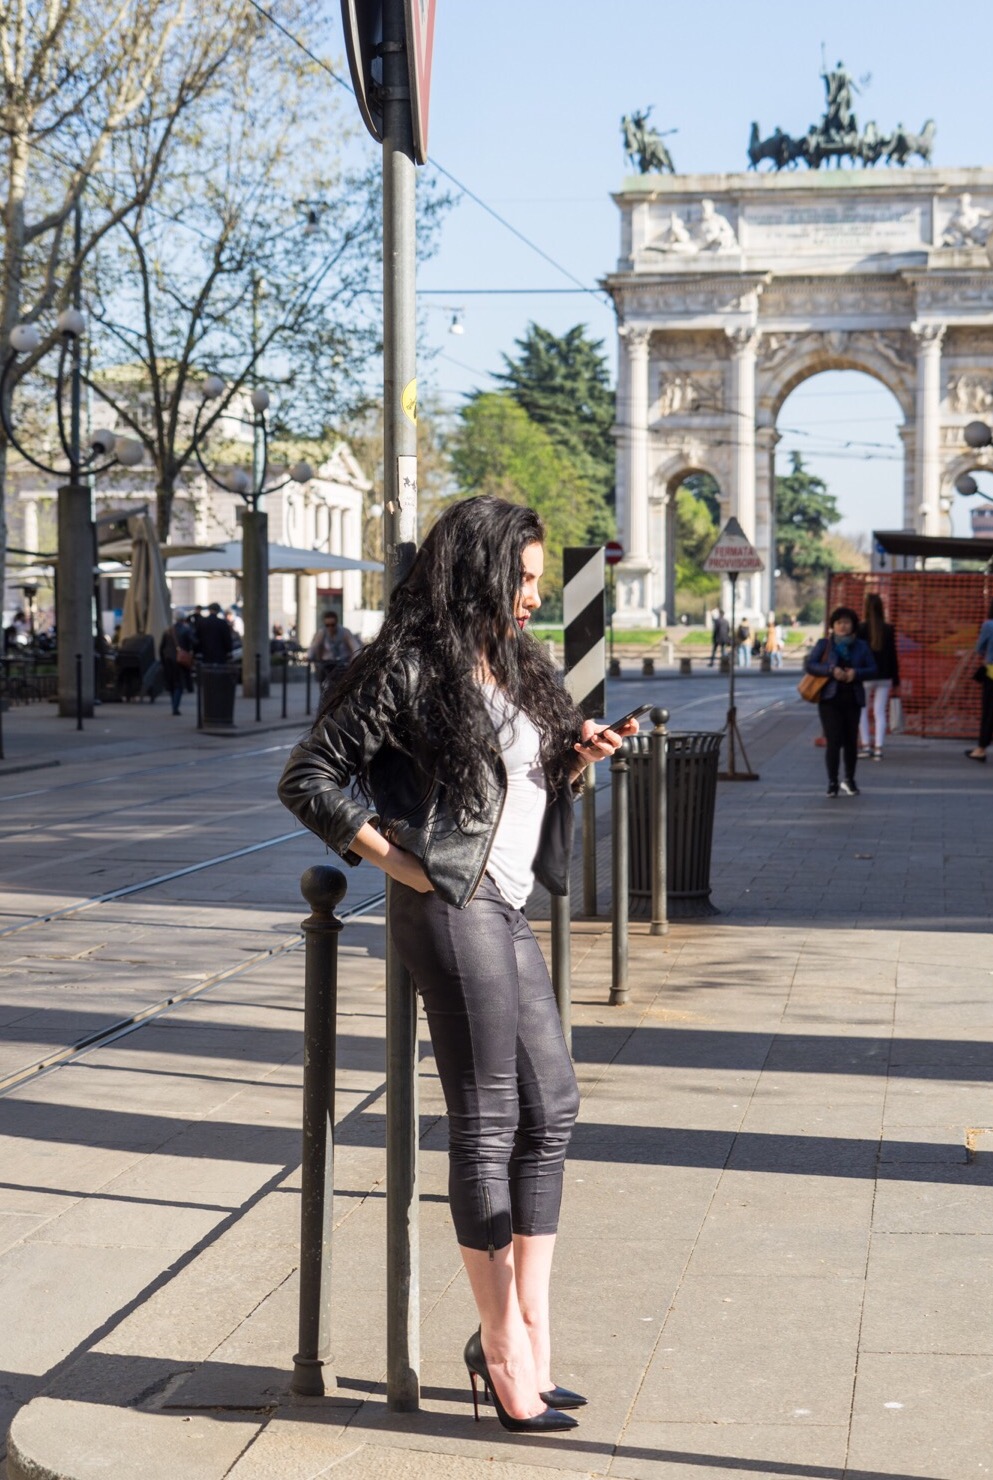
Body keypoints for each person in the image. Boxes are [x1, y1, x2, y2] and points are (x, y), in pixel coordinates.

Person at [278, 496, 637, 1433]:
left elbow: (517, 781)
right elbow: (308, 775)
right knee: (487, 1120)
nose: (531, 597)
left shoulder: (515, 665)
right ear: (475, 572)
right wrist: (398, 863)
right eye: (519, 580)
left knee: (551, 1106)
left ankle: (527, 1326)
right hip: (452, 908)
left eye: (535, 581)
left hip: (505, 902)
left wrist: (575, 757)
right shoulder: (406, 666)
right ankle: (503, 1345)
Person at [805, 606, 877, 796]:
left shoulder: (861, 646)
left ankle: (850, 780)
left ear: (853, 625)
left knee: (851, 742)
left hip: (853, 698)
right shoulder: (824, 644)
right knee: (834, 741)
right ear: (833, 626)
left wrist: (856, 673)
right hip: (829, 699)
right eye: (838, 623)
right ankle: (832, 782)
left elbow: (873, 668)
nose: (843, 626)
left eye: (846, 623)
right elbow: (811, 665)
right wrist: (831, 670)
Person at [858, 593, 900, 760]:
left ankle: (866, 745)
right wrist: (896, 680)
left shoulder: (860, 629)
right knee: (880, 712)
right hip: (885, 676)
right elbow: (893, 656)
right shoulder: (888, 629)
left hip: (865, 676)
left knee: (862, 710)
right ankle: (878, 748)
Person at [965, 598, 993, 763]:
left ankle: (981, 749)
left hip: (991, 674)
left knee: (989, 712)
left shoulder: (988, 626)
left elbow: (979, 649)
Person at [307, 609, 360, 687]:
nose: (330, 628)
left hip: (343, 664)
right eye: (327, 625)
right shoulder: (322, 633)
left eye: (332, 625)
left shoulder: (344, 632)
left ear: (336, 623)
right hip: (327, 665)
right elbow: (314, 646)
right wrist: (309, 656)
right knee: (325, 688)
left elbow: (355, 647)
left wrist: (353, 661)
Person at [159, 611, 194, 715]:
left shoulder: (168, 631)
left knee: (171, 684)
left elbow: (161, 648)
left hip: (168, 660)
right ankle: (175, 707)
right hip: (180, 661)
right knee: (179, 684)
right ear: (183, 619)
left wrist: (163, 660)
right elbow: (193, 643)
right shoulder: (186, 630)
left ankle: (173, 705)